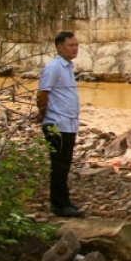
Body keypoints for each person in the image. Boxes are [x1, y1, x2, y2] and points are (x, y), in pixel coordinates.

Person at [37, 31, 83, 217]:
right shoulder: (54, 67)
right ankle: (59, 205)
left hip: (68, 123)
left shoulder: (67, 67)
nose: (75, 49)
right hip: (57, 123)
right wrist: (43, 115)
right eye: (71, 45)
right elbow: (42, 94)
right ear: (59, 47)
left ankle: (64, 201)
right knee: (59, 165)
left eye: (76, 45)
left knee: (64, 164)